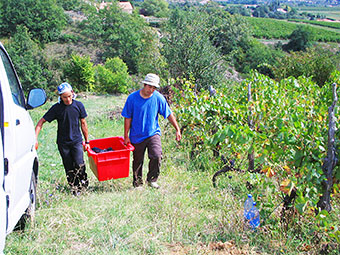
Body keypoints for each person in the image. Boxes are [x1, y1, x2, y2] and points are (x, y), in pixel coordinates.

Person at [122, 73, 182, 189]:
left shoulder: (158, 98)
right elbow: (127, 117)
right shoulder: (132, 98)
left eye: (154, 88)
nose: (152, 90)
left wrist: (177, 129)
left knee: (156, 155)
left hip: (153, 133)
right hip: (136, 134)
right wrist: (126, 135)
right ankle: (138, 183)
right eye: (150, 87)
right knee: (138, 160)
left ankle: (152, 180)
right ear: (144, 85)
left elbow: (168, 113)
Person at [35, 82, 90, 195]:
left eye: (69, 96)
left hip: (76, 141)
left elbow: (83, 123)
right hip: (63, 143)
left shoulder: (78, 106)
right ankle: (75, 189)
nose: (67, 99)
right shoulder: (57, 108)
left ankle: (84, 184)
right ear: (60, 97)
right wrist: (35, 138)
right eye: (64, 97)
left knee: (79, 163)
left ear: (73, 93)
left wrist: (87, 141)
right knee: (68, 165)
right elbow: (41, 121)